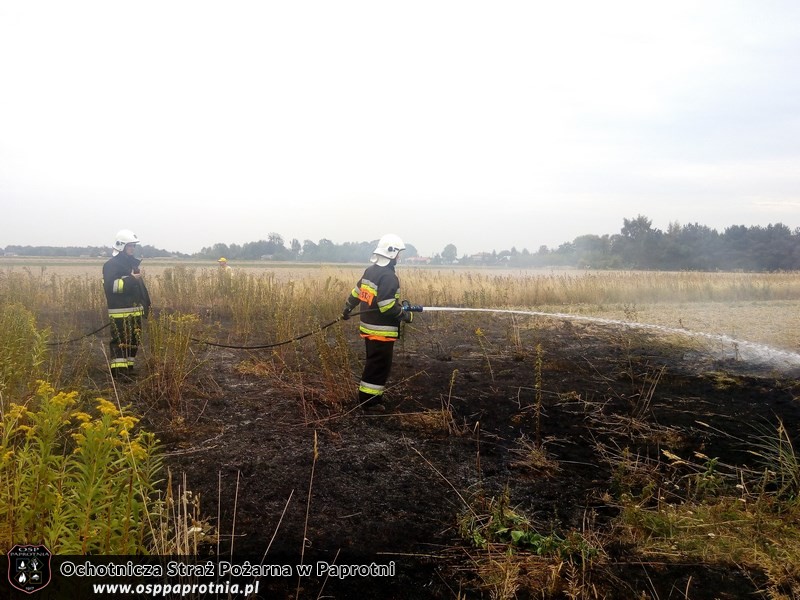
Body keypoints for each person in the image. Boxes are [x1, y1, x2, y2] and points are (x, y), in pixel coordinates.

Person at [342, 233, 413, 411]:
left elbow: (357, 292)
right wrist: (404, 315)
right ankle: (369, 402)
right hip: (381, 331)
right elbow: (387, 306)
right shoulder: (389, 277)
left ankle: (372, 397)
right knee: (378, 366)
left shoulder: (370, 271)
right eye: (398, 253)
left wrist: (348, 307)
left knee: (373, 363)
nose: (399, 257)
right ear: (391, 253)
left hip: (369, 327)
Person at [102, 229, 151, 379]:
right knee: (121, 341)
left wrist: (145, 305)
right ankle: (118, 372)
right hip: (120, 312)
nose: (133, 249)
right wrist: (131, 280)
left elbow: (139, 289)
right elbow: (112, 287)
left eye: (134, 246)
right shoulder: (112, 265)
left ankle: (129, 368)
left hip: (134, 311)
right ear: (121, 246)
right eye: (130, 246)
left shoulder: (130, 264)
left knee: (134, 340)